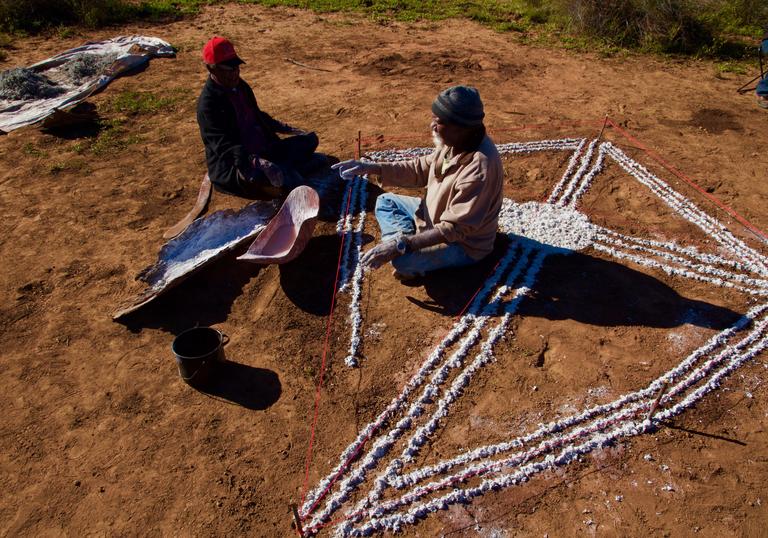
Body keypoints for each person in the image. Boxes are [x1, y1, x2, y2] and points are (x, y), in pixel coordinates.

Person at [333, 85, 503, 280]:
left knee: (402, 262)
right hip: (431, 217)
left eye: (438, 122)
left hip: (462, 245)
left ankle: (404, 244)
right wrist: (374, 168)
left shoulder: (479, 168)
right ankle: (402, 240)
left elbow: (454, 229)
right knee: (385, 202)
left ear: (459, 127)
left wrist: (403, 245)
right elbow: (420, 168)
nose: (432, 126)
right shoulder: (456, 142)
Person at [196, 36, 321, 197]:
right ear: (211, 69)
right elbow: (222, 147)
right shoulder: (208, 106)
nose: (235, 74)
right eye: (228, 70)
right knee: (273, 180)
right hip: (239, 165)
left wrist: (286, 128)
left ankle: (286, 171)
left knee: (310, 140)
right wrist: (255, 161)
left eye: (236, 68)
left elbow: (256, 115)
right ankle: (285, 175)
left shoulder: (240, 86)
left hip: (265, 150)